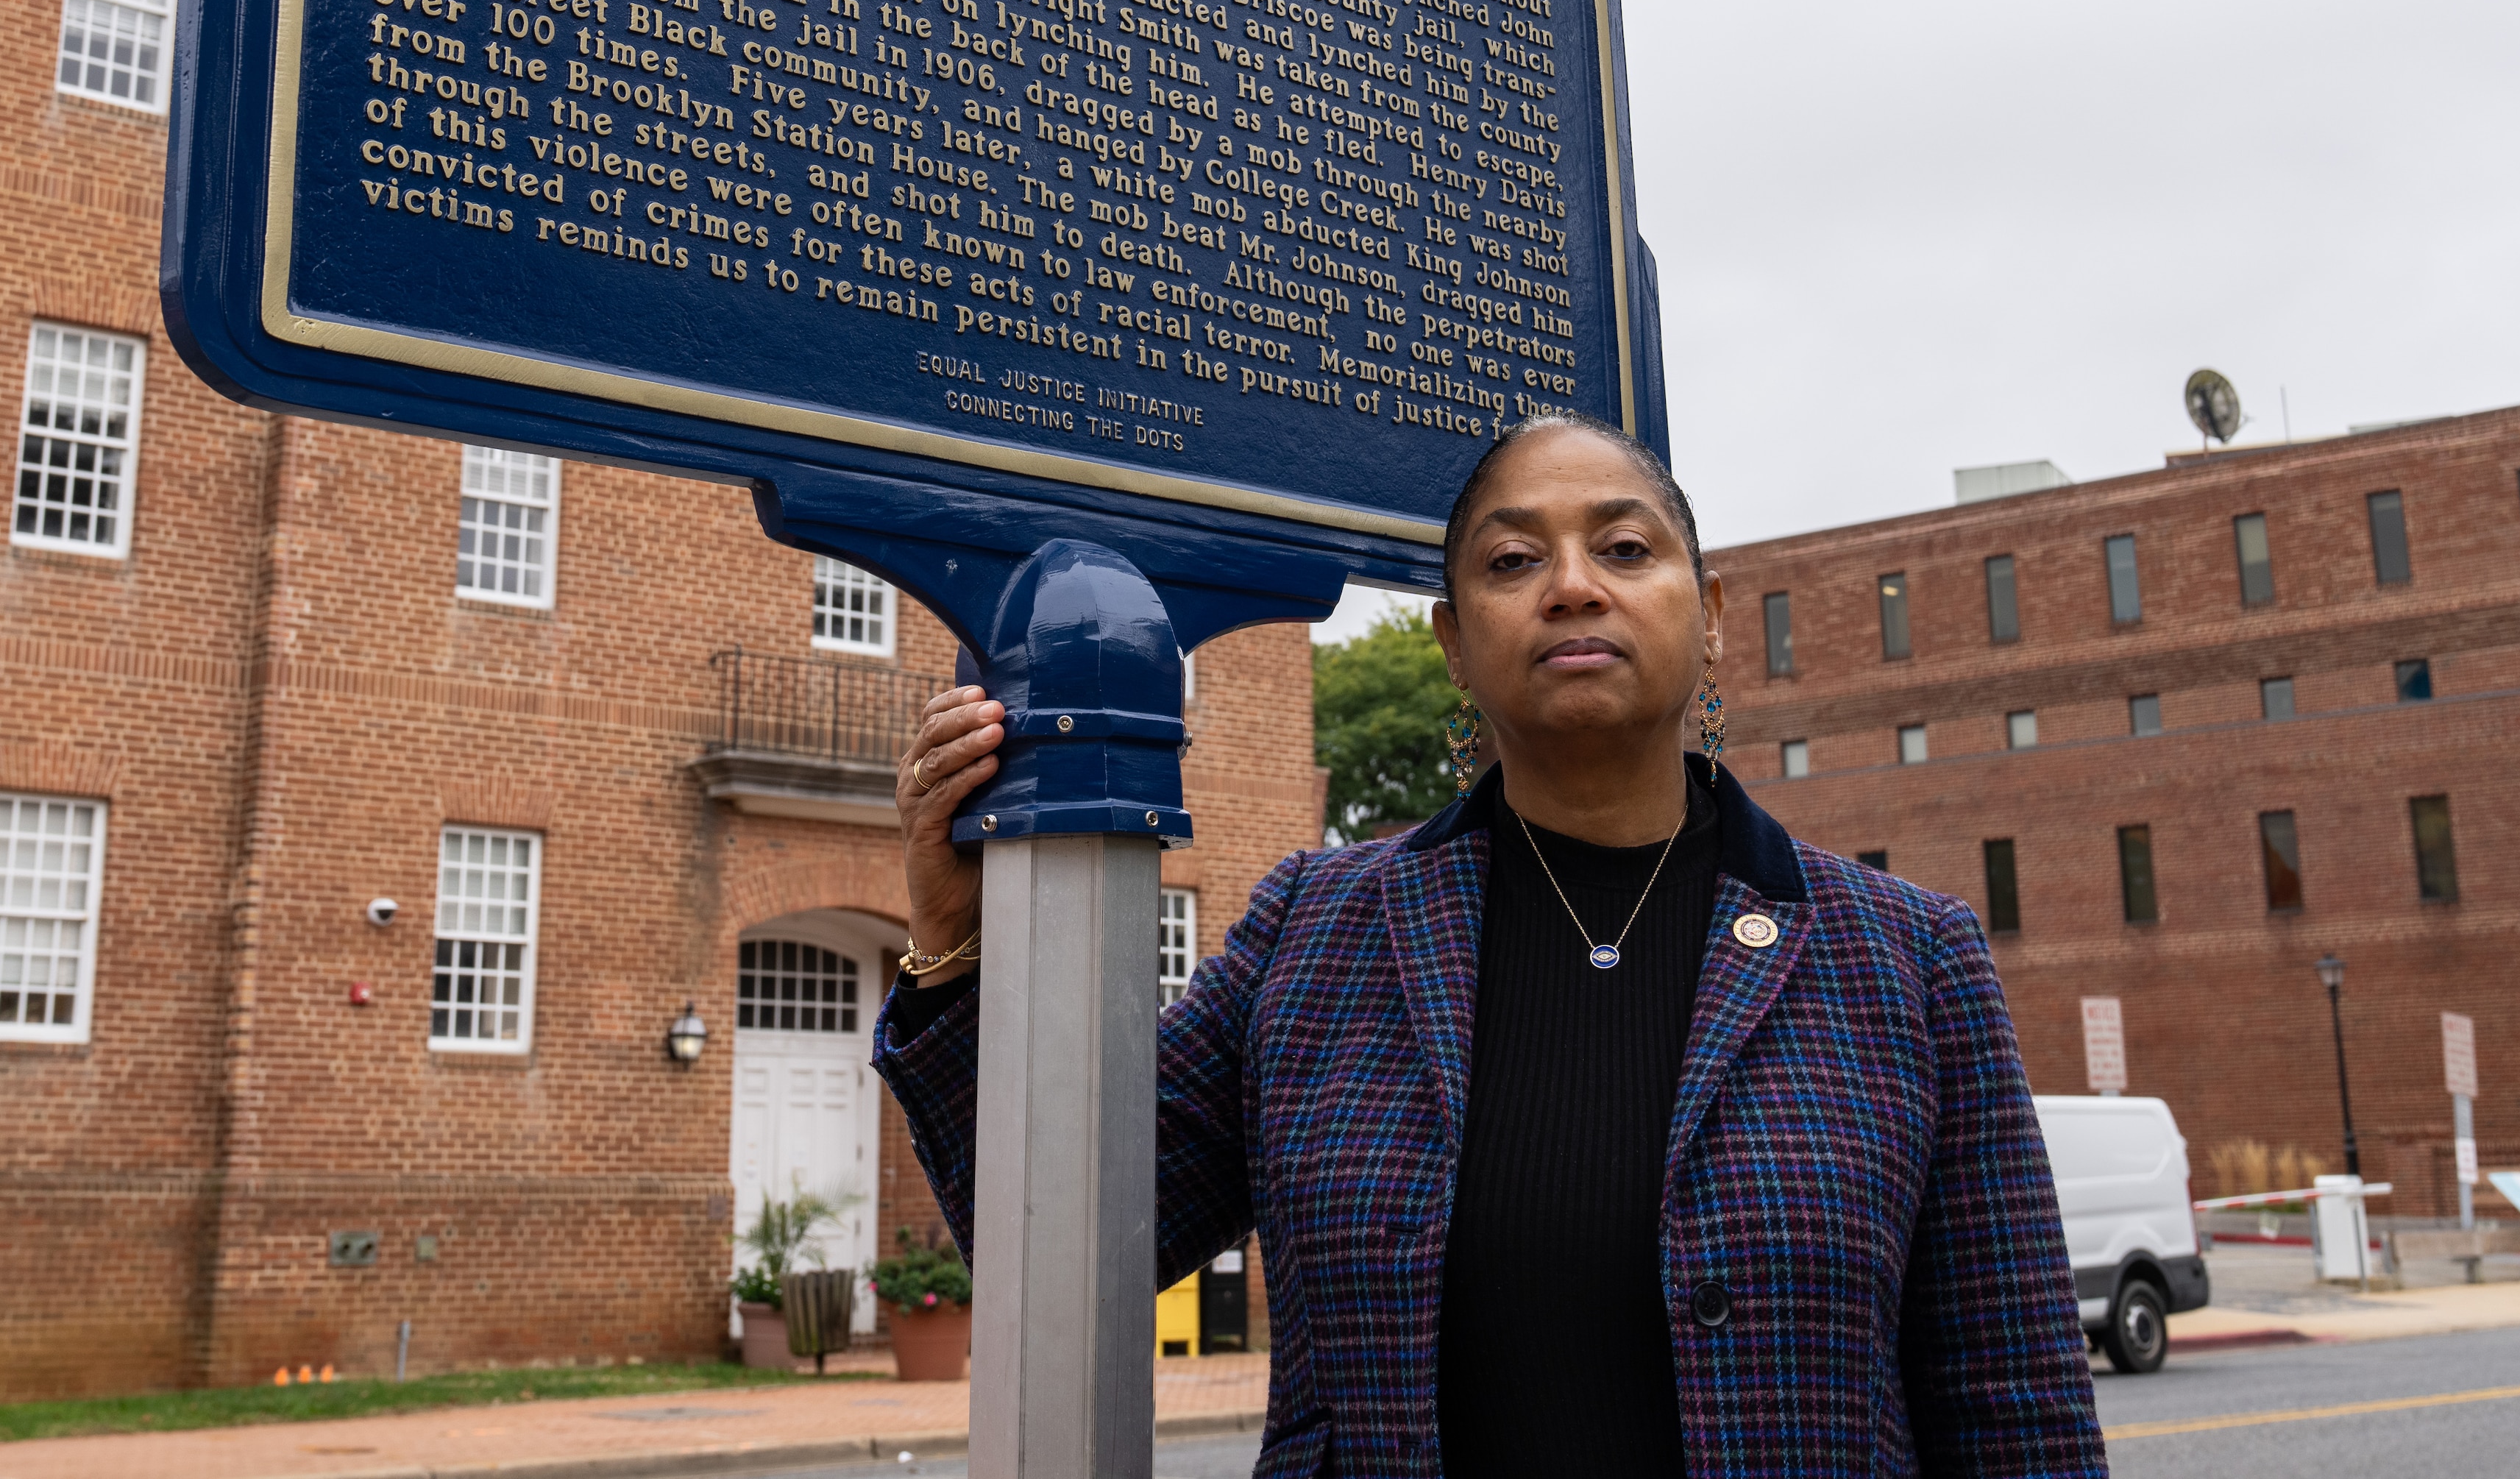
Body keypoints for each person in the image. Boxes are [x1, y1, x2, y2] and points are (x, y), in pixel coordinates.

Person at [875, 412, 2110, 1477]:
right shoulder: (1316, 929)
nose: (1573, 582)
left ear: (1712, 614)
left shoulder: (1909, 957)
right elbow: (1072, 1221)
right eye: (1514, 557)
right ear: (1456, 642)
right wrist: (956, 945)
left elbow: (2015, 1404)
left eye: (1625, 545)